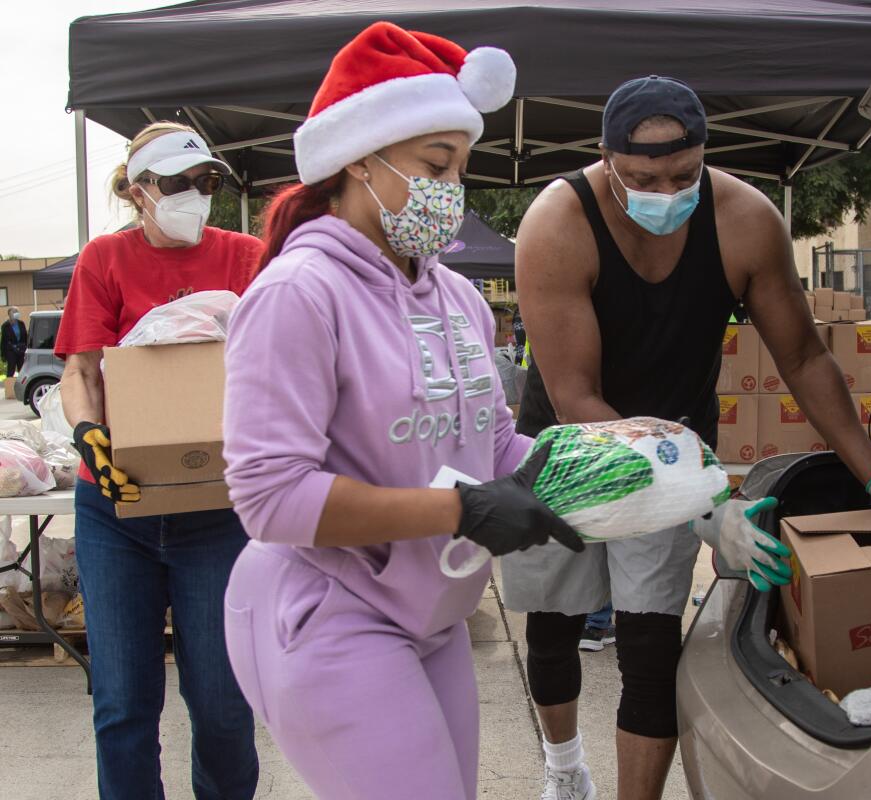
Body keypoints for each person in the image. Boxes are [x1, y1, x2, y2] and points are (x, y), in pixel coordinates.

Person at [504, 76, 871, 800]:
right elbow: (578, 398)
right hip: (570, 447)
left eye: (683, 174)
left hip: (680, 439)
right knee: (554, 628)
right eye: (641, 178)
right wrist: (702, 509)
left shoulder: (746, 219)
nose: (665, 191)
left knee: (649, 646)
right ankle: (565, 770)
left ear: (706, 156)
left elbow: (804, 357)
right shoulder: (557, 223)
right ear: (605, 161)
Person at [218, 24, 582, 800]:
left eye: (461, 167)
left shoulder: (456, 297)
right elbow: (269, 496)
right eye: (434, 166)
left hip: (436, 613)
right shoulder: (298, 294)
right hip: (331, 613)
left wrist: (599, 470)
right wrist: (461, 509)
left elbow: (491, 443)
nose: (453, 189)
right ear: (360, 157)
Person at [57, 121, 261, 800]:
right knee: (122, 708)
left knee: (226, 709)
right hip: (119, 509)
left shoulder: (246, 257)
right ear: (139, 192)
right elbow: (81, 370)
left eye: (205, 182)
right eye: (176, 183)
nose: (195, 195)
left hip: (217, 507)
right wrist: (89, 434)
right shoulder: (105, 260)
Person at [1, 307, 27, 376]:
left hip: (21, 350)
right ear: (10, 314)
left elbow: (25, 337)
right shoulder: (5, 326)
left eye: (17, 311)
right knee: (11, 370)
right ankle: (9, 385)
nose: (16, 313)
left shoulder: (21, 323)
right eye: (14, 312)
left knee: (22, 370)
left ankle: (22, 386)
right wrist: (3, 355)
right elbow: (3, 341)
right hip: (11, 351)